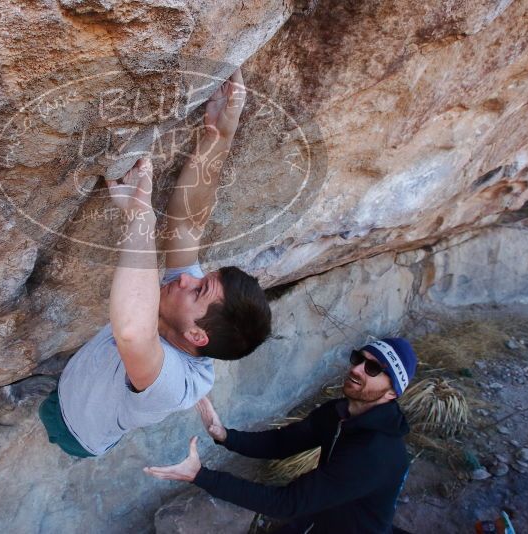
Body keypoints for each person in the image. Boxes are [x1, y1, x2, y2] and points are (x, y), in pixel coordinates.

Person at [39, 68, 273, 458]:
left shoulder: (173, 386)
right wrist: (219, 134)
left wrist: (139, 216)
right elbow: (186, 228)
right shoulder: (194, 312)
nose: (185, 280)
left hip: (78, 434)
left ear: (198, 337)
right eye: (200, 279)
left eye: (198, 290)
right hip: (72, 384)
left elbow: (133, 333)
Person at [144, 338, 418, 534]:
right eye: (359, 359)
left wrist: (200, 475)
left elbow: (286, 503)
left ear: (392, 392)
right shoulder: (339, 413)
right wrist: (225, 435)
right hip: (321, 516)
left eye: (373, 369)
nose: (357, 369)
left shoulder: (374, 453)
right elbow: (281, 443)